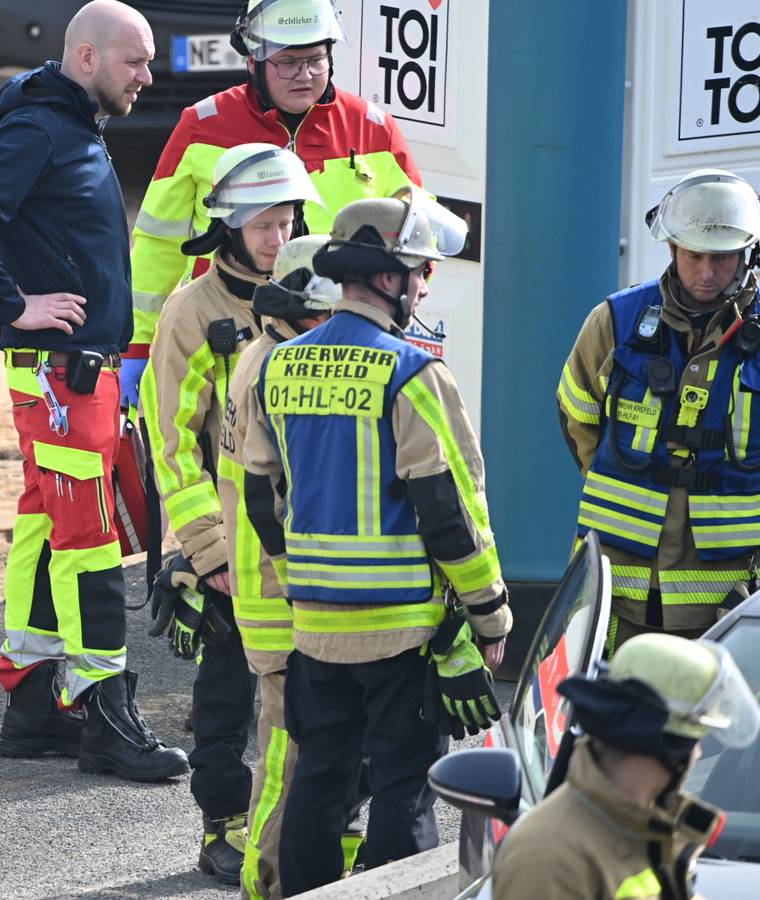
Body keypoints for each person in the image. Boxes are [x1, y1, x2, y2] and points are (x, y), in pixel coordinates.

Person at [0, 0, 187, 783]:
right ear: (86, 58)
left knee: (46, 527)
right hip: (59, 373)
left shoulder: (71, 122)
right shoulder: (42, 128)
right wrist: (15, 308)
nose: (150, 76)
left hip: (76, 373)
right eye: (135, 62)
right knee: (87, 541)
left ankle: (35, 705)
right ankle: (107, 715)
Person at [242, 194, 511, 893]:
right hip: (400, 632)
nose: (424, 285)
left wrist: (302, 578)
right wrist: (489, 616)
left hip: (315, 628)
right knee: (404, 788)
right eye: (420, 271)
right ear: (391, 278)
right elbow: (450, 512)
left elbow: (260, 497)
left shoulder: (279, 364)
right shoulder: (413, 373)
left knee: (321, 777)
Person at [140, 143, 321, 884]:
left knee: (310, 693)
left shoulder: (317, 297)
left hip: (309, 542)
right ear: (227, 227)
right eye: (262, 226)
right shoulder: (194, 313)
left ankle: (300, 820)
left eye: (286, 222)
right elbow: (171, 443)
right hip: (232, 551)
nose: (277, 240)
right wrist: (206, 553)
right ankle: (224, 824)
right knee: (225, 695)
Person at [118, 0, 422, 410]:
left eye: (317, 59)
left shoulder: (373, 129)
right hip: (226, 337)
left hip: (340, 340)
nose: (306, 75)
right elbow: (159, 244)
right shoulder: (203, 125)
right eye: (288, 63)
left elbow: (417, 235)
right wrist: (137, 345)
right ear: (254, 62)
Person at [218, 234, 367, 899]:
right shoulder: (276, 370)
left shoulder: (265, 354)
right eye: (324, 316)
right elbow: (274, 500)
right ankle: (267, 882)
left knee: (317, 755)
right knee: (287, 755)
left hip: (277, 591)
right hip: (283, 599)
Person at [557, 169, 760, 656]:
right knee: (607, 723)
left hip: (726, 596)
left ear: (746, 254)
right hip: (617, 586)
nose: (707, 273)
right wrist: (616, 479)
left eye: (722, 258)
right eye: (694, 255)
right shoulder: (616, 320)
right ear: (671, 249)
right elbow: (576, 412)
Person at [491, 632, 760, 900]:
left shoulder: (648, 829)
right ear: (667, 750)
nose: (699, 754)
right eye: (695, 741)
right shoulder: (547, 859)